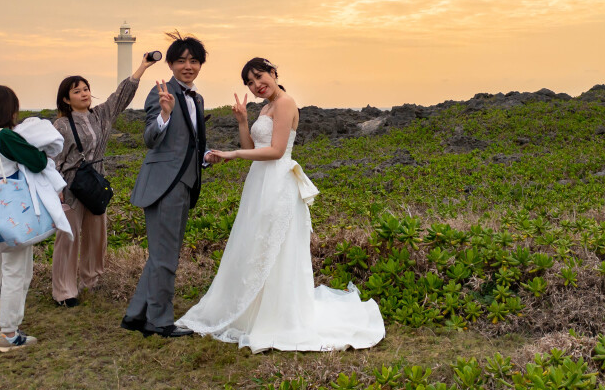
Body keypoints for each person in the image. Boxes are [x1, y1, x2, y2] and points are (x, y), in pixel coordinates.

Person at [176, 58, 386, 353]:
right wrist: (242, 122)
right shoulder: (265, 107)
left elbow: (275, 152)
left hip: (278, 183)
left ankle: (277, 315)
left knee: (276, 247)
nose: (256, 85)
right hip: (259, 184)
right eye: (249, 82)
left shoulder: (286, 103)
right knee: (255, 243)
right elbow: (253, 149)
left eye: (259, 77)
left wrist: (233, 154)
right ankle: (252, 309)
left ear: (274, 73)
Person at [0, 85, 70, 352]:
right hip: (10, 213)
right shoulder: (3, 136)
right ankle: (9, 332)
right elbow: (38, 161)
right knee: (15, 272)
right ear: (8, 110)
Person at [121, 33, 216, 338]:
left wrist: (204, 158)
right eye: (182, 60)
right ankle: (159, 321)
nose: (188, 66)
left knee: (164, 254)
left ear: (200, 64)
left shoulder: (196, 97)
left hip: (185, 183)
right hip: (164, 185)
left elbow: (191, 140)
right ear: (172, 64)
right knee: (165, 257)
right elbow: (149, 139)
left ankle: (136, 315)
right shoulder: (161, 92)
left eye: (194, 60)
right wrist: (164, 113)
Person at [51, 53, 157, 308]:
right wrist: (56, 189)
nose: (84, 94)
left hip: (96, 184)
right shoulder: (61, 125)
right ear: (66, 99)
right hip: (70, 186)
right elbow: (53, 159)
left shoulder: (101, 115)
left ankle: (91, 280)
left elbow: (121, 95)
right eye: (77, 91)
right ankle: (64, 291)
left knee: (96, 235)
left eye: (86, 89)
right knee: (68, 237)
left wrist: (142, 67)